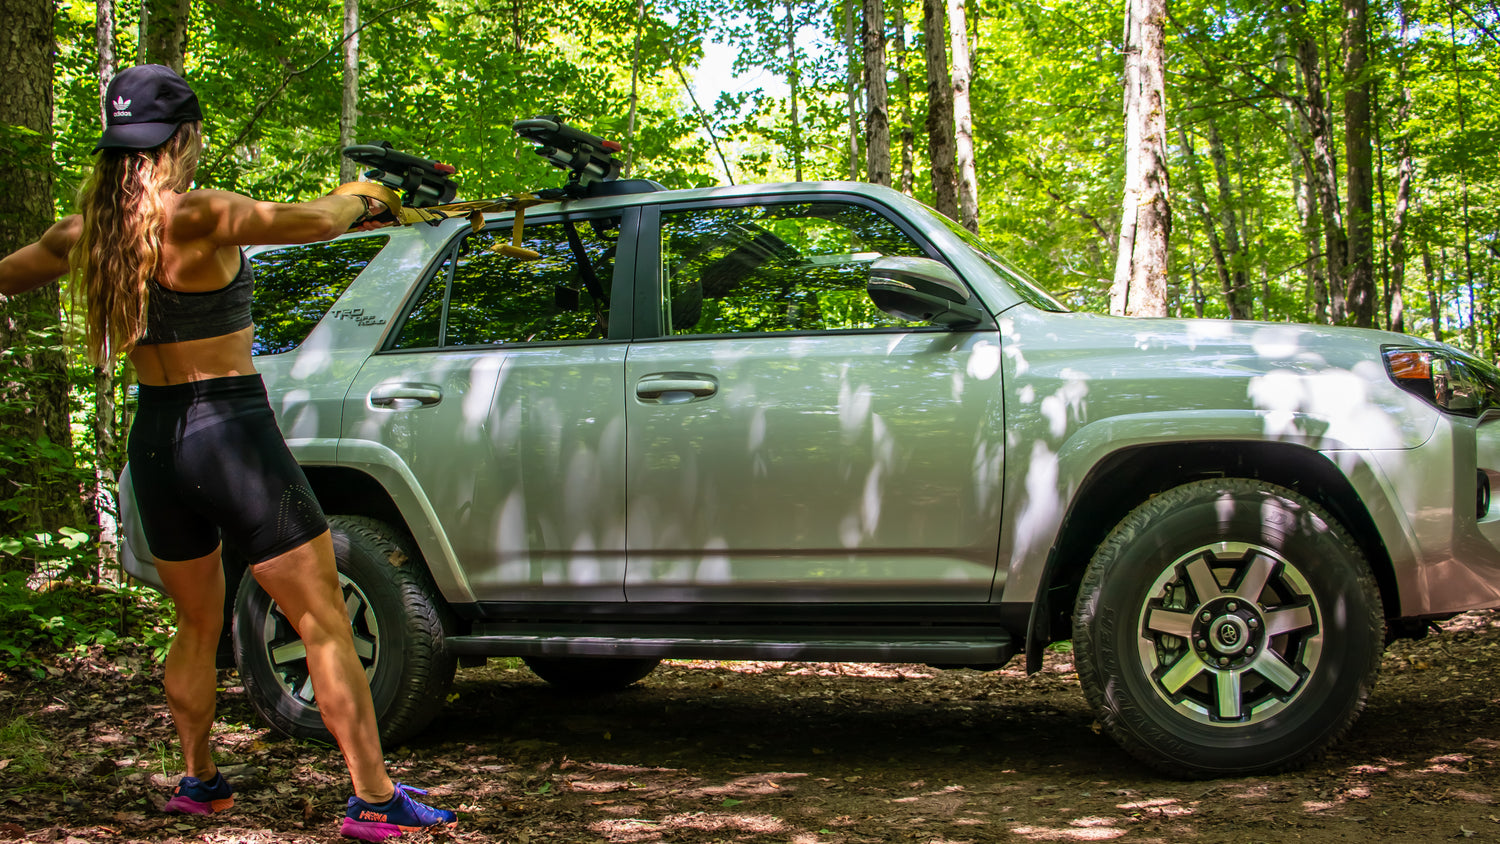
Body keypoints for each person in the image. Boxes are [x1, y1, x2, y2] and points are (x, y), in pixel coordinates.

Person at [0, 64, 455, 842]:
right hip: (231, 433)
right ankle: (375, 801)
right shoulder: (202, 213)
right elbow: (313, 221)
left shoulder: (81, 235)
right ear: (185, 139)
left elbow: (7, 277)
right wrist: (369, 192)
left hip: (157, 444)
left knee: (195, 625)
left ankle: (199, 781)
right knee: (321, 620)